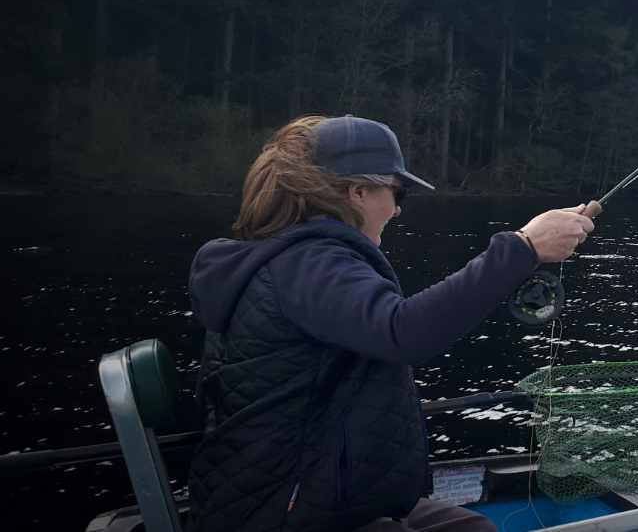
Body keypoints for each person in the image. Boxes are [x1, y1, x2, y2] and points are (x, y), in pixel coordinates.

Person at [185, 115, 594, 532]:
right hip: (285, 512)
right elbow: (403, 333)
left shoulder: (284, 260)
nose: (398, 209)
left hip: (290, 493)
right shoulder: (307, 263)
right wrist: (523, 248)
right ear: (357, 191)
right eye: (398, 192)